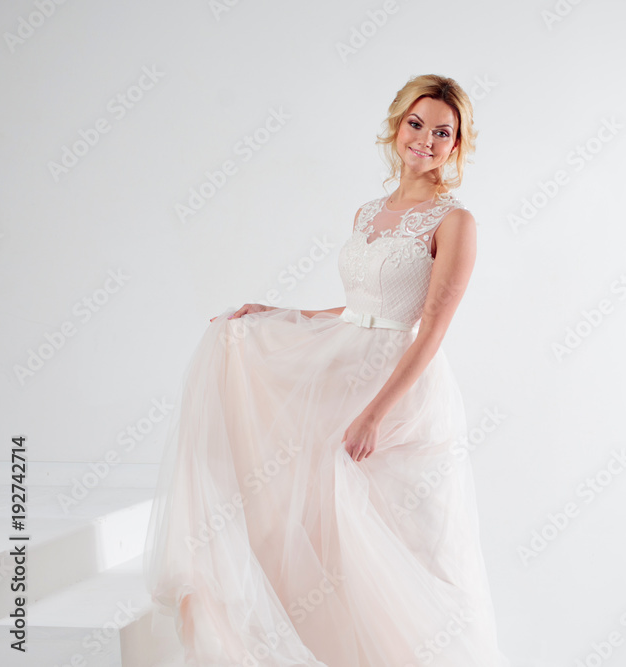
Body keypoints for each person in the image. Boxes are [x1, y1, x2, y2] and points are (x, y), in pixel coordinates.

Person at [143, 73, 512, 666]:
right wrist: (282, 314)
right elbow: (363, 304)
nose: (427, 139)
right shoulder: (372, 211)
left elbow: (431, 326)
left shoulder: (455, 221)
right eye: (417, 124)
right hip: (345, 373)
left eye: (444, 132)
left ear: (458, 144)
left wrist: (376, 414)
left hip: (402, 398)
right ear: (397, 127)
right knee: (334, 547)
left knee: (410, 550)